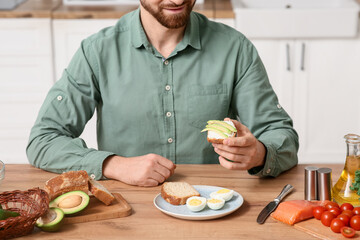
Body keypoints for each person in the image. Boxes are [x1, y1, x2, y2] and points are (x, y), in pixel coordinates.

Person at [26, 0, 299, 187]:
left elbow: (281, 135)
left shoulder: (235, 48)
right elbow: (43, 140)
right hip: (128, 212)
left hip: (214, 206)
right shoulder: (97, 52)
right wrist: (112, 164)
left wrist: (261, 153)